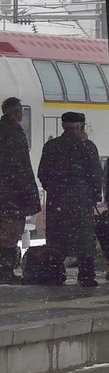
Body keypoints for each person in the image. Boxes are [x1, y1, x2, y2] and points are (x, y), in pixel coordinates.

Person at [38, 111, 103, 287]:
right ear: (80, 126)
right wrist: (94, 194)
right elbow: (96, 174)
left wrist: (54, 189)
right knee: (84, 239)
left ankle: (55, 273)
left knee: (57, 238)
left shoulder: (51, 146)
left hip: (57, 200)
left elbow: (42, 173)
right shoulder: (87, 146)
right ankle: (86, 275)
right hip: (81, 200)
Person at [0, 98, 41, 284]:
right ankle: (6, 271)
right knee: (11, 233)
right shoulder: (14, 133)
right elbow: (21, 167)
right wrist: (28, 193)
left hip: (5, 193)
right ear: (16, 113)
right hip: (12, 194)